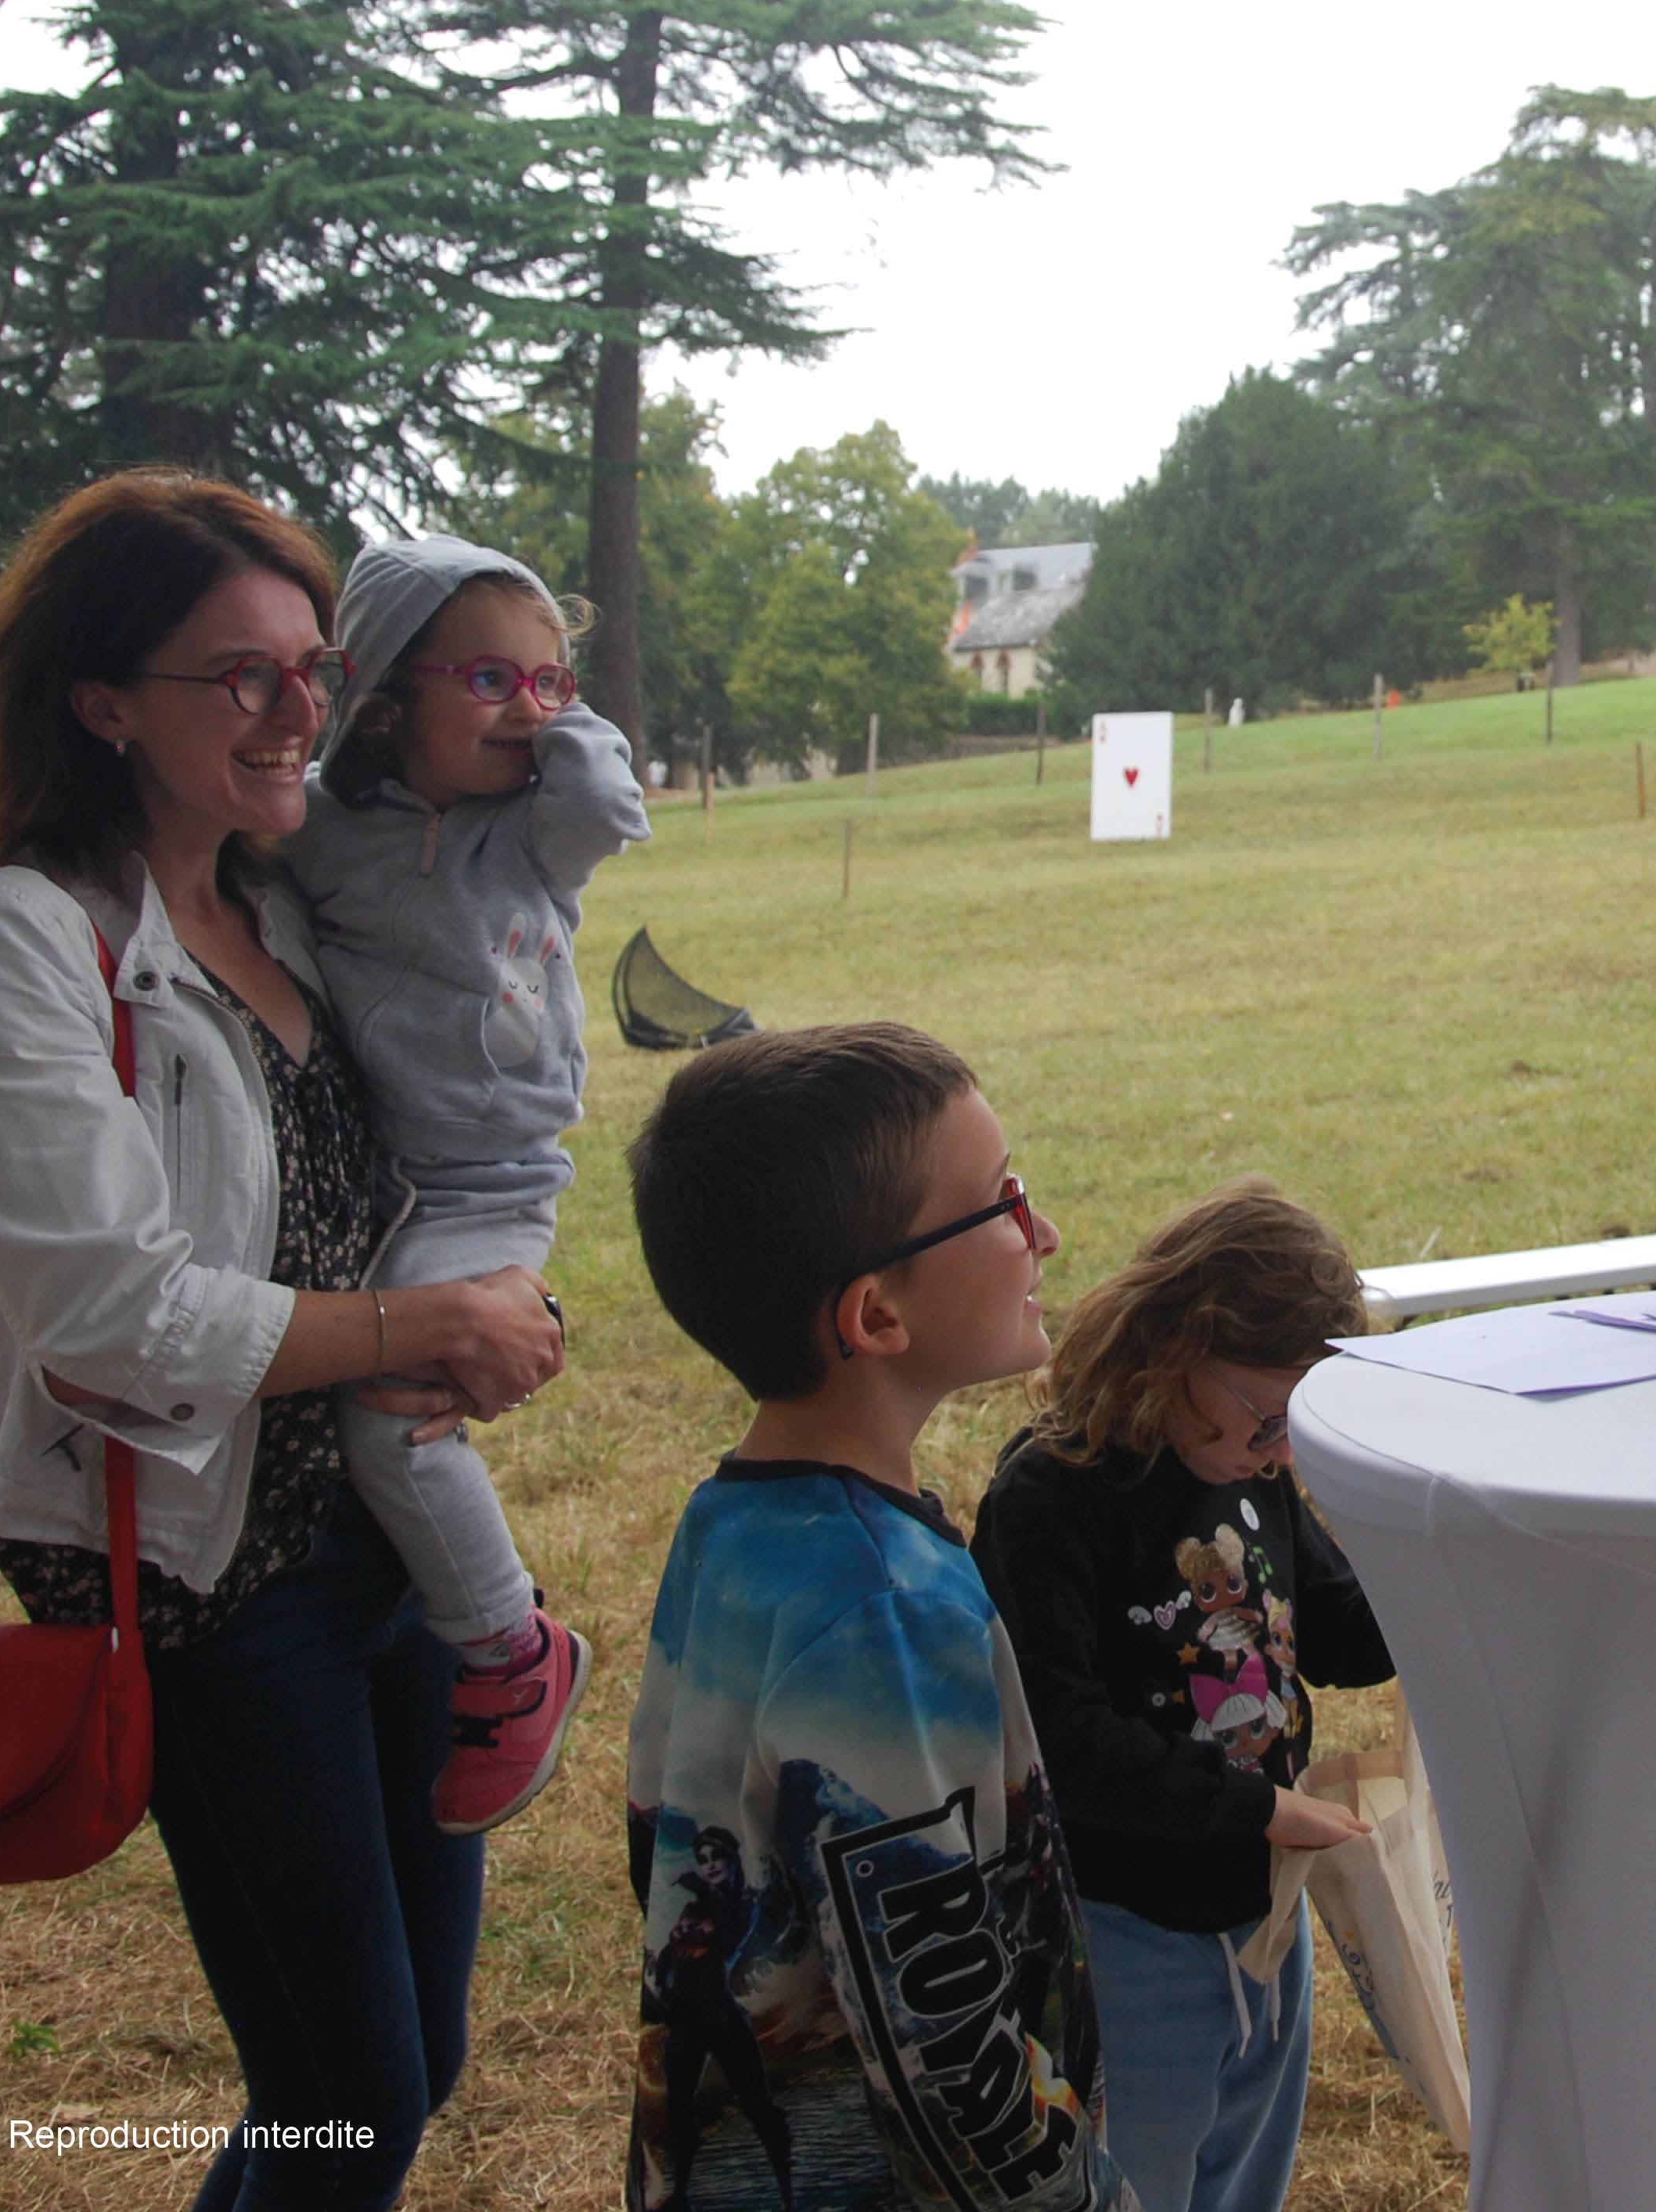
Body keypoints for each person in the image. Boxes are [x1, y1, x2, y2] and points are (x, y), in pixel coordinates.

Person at [0, 470, 570, 2210]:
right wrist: (417, 1325)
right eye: (240, 677)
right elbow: (105, 1317)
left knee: (411, 2057)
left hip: (378, 1540)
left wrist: (504, 1300)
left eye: (313, 668)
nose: (296, 714)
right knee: (341, 2086)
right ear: (103, 700)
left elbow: (415, 1153)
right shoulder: (24, 943)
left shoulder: (282, 909)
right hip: (207, 1574)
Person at [618, 1022, 1133, 2212]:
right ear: (876, 1317)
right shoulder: (880, 1612)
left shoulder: (733, 1524)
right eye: (1003, 1202)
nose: (1041, 1233)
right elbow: (936, 2031)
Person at [280, 534, 646, 1836]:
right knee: (367, 1391)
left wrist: (559, 714)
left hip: (493, 1181)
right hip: (386, 1176)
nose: (527, 709)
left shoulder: (532, 832)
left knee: (391, 1413)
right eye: (488, 678)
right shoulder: (324, 837)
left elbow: (610, 806)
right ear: (380, 692)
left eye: (551, 681)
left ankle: (509, 1650)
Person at [970, 1183, 1399, 2212]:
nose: (1277, 1451)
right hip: (1128, 1932)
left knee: (1245, 2172)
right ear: (1171, 1342)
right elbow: (1057, 1737)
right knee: (1137, 2185)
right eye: (1265, 1419)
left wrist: (1443, 1564)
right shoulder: (1053, 1493)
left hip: (1262, 1916)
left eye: (1300, 1427)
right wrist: (1259, 1809)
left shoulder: (1251, 1468)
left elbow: (1338, 1633)